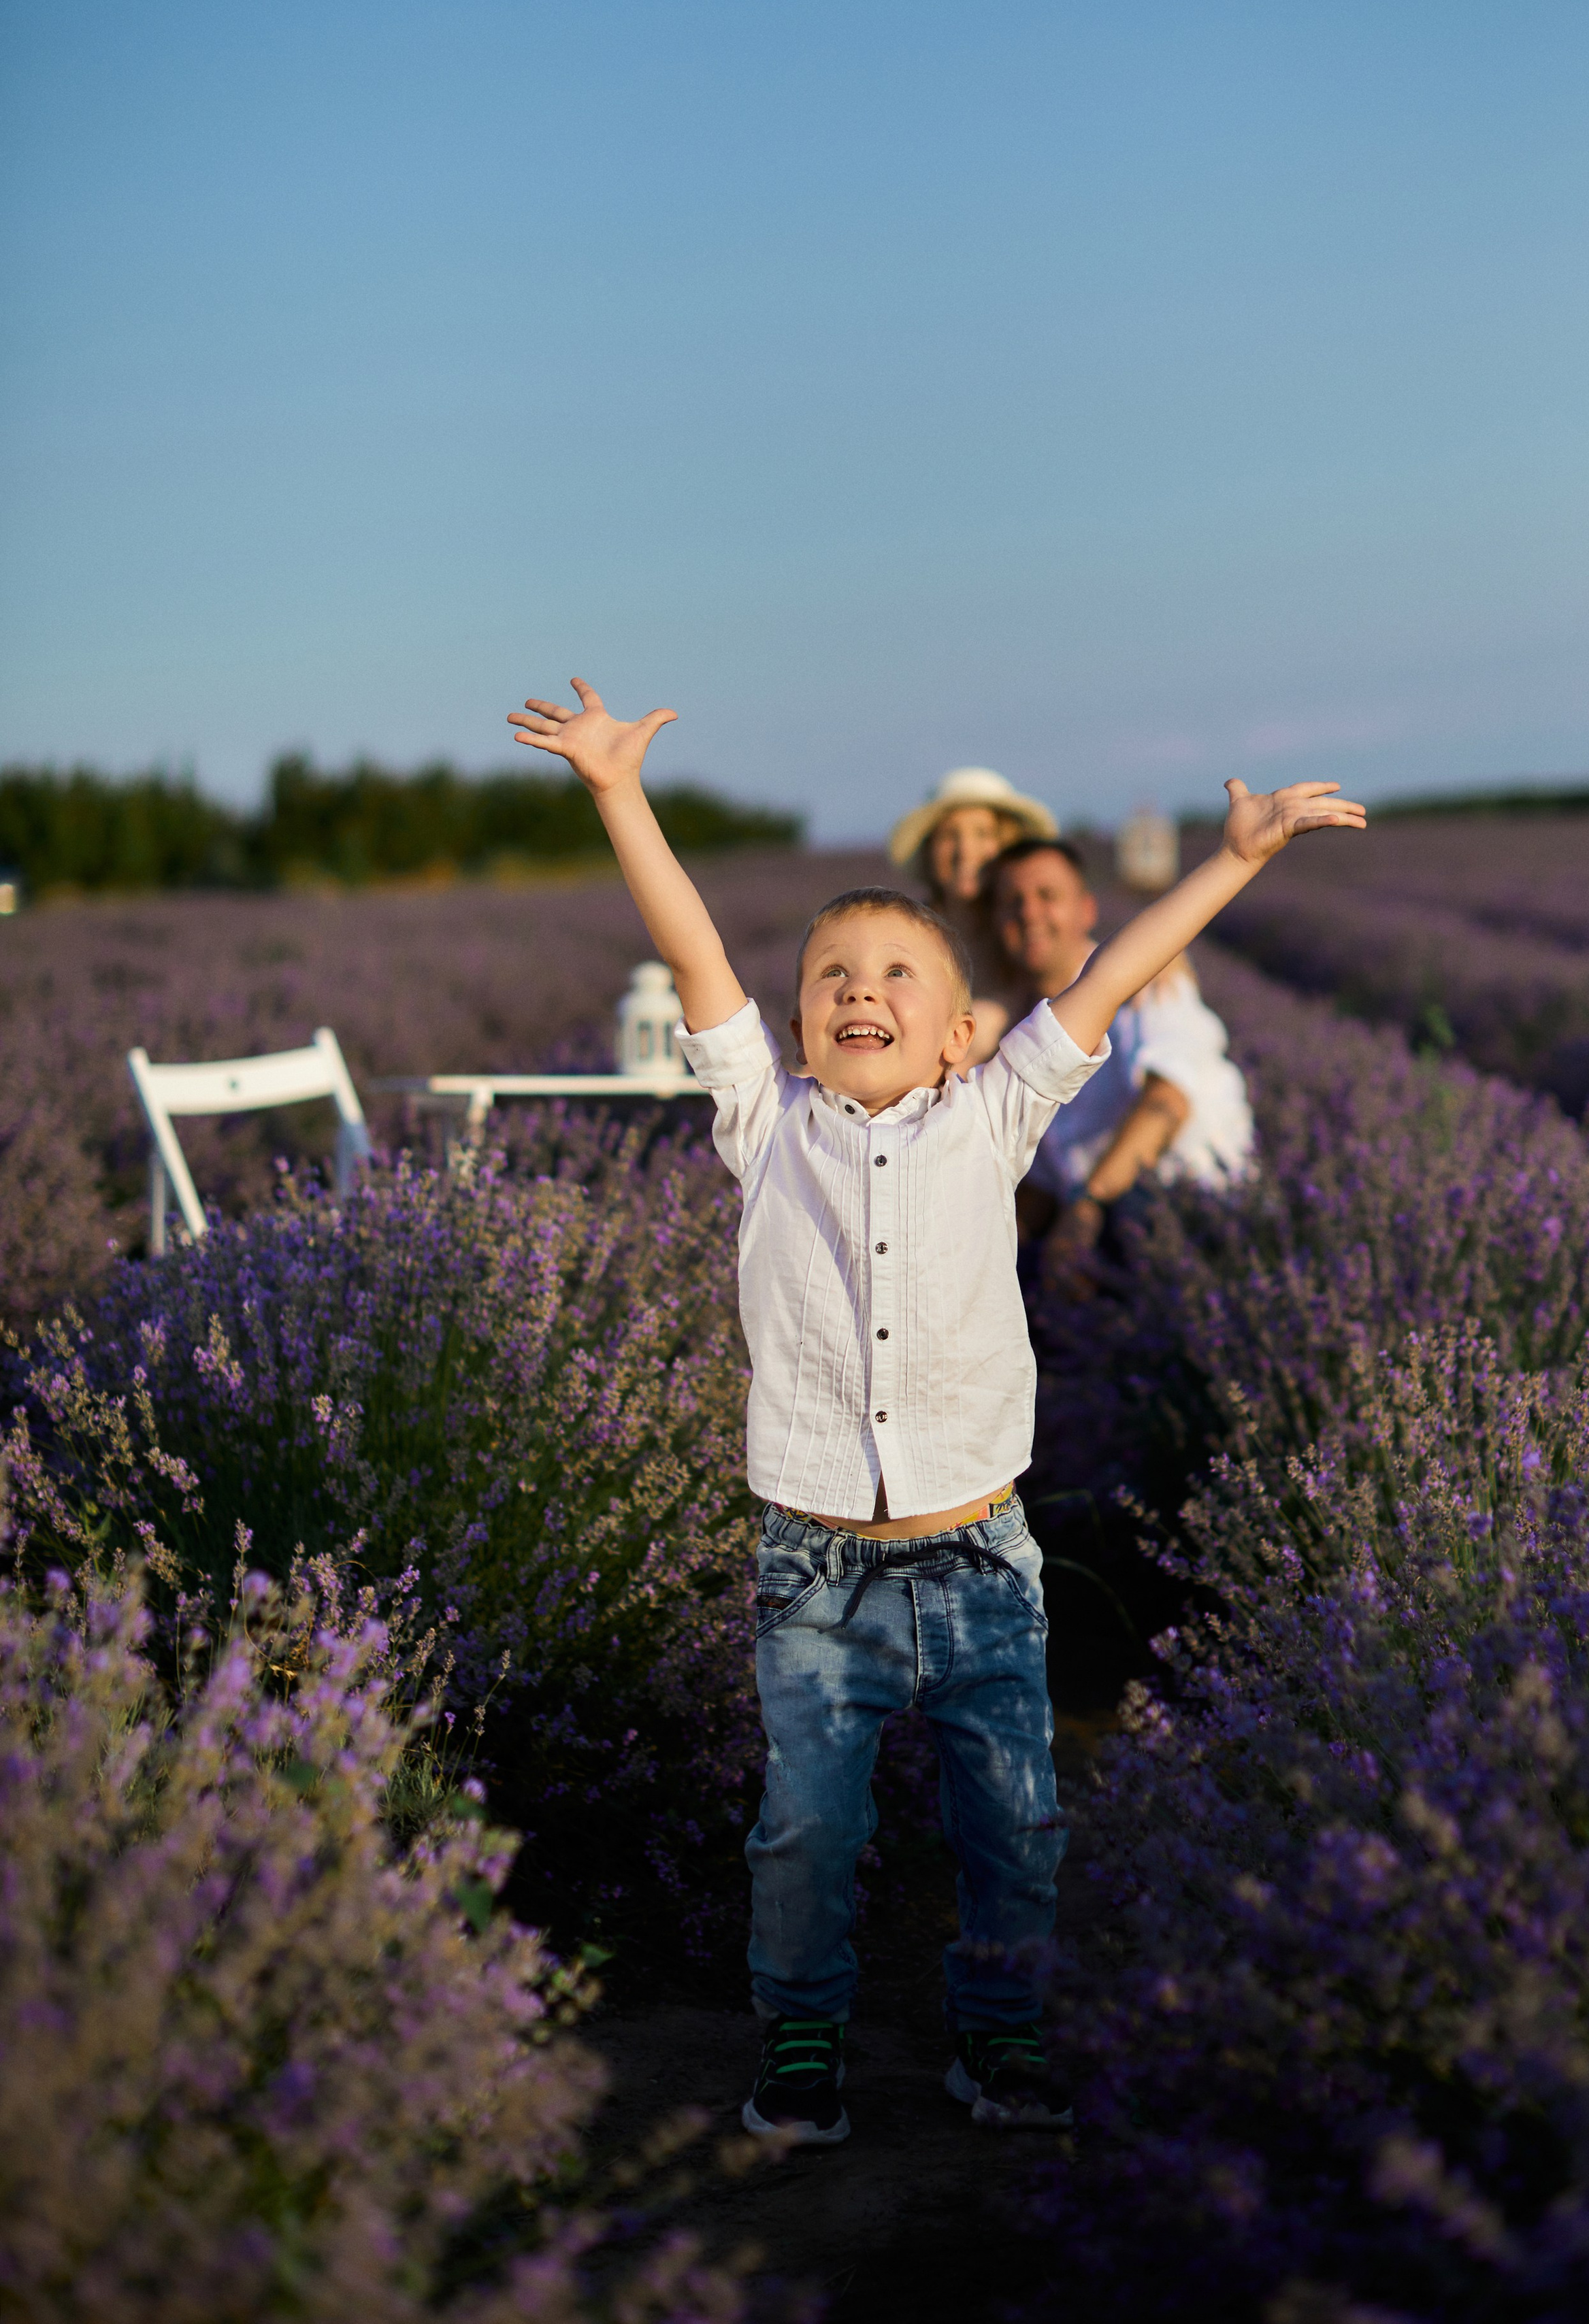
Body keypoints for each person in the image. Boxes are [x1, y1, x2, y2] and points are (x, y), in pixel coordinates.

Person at [506, 674, 1365, 2148]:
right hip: (815, 1562)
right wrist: (614, 792)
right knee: (805, 1830)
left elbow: (1102, 984)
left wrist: (1238, 858)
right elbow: (692, 948)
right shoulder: (764, 1132)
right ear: (787, 1027)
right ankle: (799, 2040)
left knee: (1012, 1820)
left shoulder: (994, 1119)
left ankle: (1001, 2035)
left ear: (966, 1032)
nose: (859, 992)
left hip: (978, 1551)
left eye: (897, 976)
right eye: (832, 975)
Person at [989, 836, 1256, 1286]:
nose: (1029, 912)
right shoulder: (1014, 1026)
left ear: (1087, 910)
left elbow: (1168, 1101)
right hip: (1104, 1229)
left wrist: (1086, 1209)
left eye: (1047, 897)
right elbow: (1045, 1181)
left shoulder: (1145, 983)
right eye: (1013, 902)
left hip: (1198, 1214)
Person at [888, 767, 1055, 1057]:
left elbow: (1082, 964)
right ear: (929, 851)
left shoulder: (1028, 927)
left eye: (983, 834)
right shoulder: (899, 934)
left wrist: (1154, 971)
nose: (965, 850)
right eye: (950, 836)